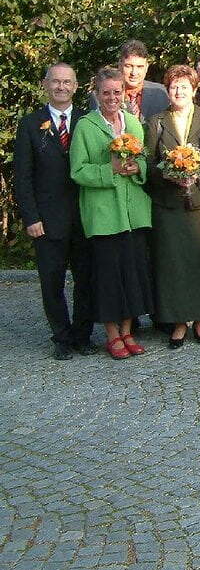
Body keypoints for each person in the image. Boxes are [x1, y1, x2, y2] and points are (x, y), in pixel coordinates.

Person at [70, 66, 154, 359]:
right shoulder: (85, 126)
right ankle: (112, 334)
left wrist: (137, 168)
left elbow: (144, 160)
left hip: (134, 212)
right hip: (104, 213)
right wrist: (111, 170)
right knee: (107, 277)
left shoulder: (133, 123)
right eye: (105, 92)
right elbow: (77, 171)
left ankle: (128, 330)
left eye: (117, 92)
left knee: (132, 274)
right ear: (96, 94)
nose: (112, 97)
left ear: (124, 93)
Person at [14, 63, 95, 359]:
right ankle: (61, 337)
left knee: (86, 280)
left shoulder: (88, 120)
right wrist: (31, 217)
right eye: (56, 82)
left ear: (76, 86)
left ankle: (83, 336)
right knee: (52, 282)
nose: (61, 87)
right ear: (46, 85)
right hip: (47, 220)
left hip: (85, 216)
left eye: (67, 82)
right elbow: (23, 176)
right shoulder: (30, 124)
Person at [144, 64, 200, 348]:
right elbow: (148, 163)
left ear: (194, 90)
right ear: (167, 91)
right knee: (173, 264)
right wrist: (166, 174)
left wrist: (197, 173)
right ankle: (178, 322)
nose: (179, 91)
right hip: (167, 204)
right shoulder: (156, 121)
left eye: (184, 87)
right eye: (174, 87)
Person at [89, 39, 169, 123]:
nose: (134, 73)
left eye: (139, 67)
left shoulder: (162, 93)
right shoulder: (100, 96)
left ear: (146, 67)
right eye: (129, 66)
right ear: (120, 65)